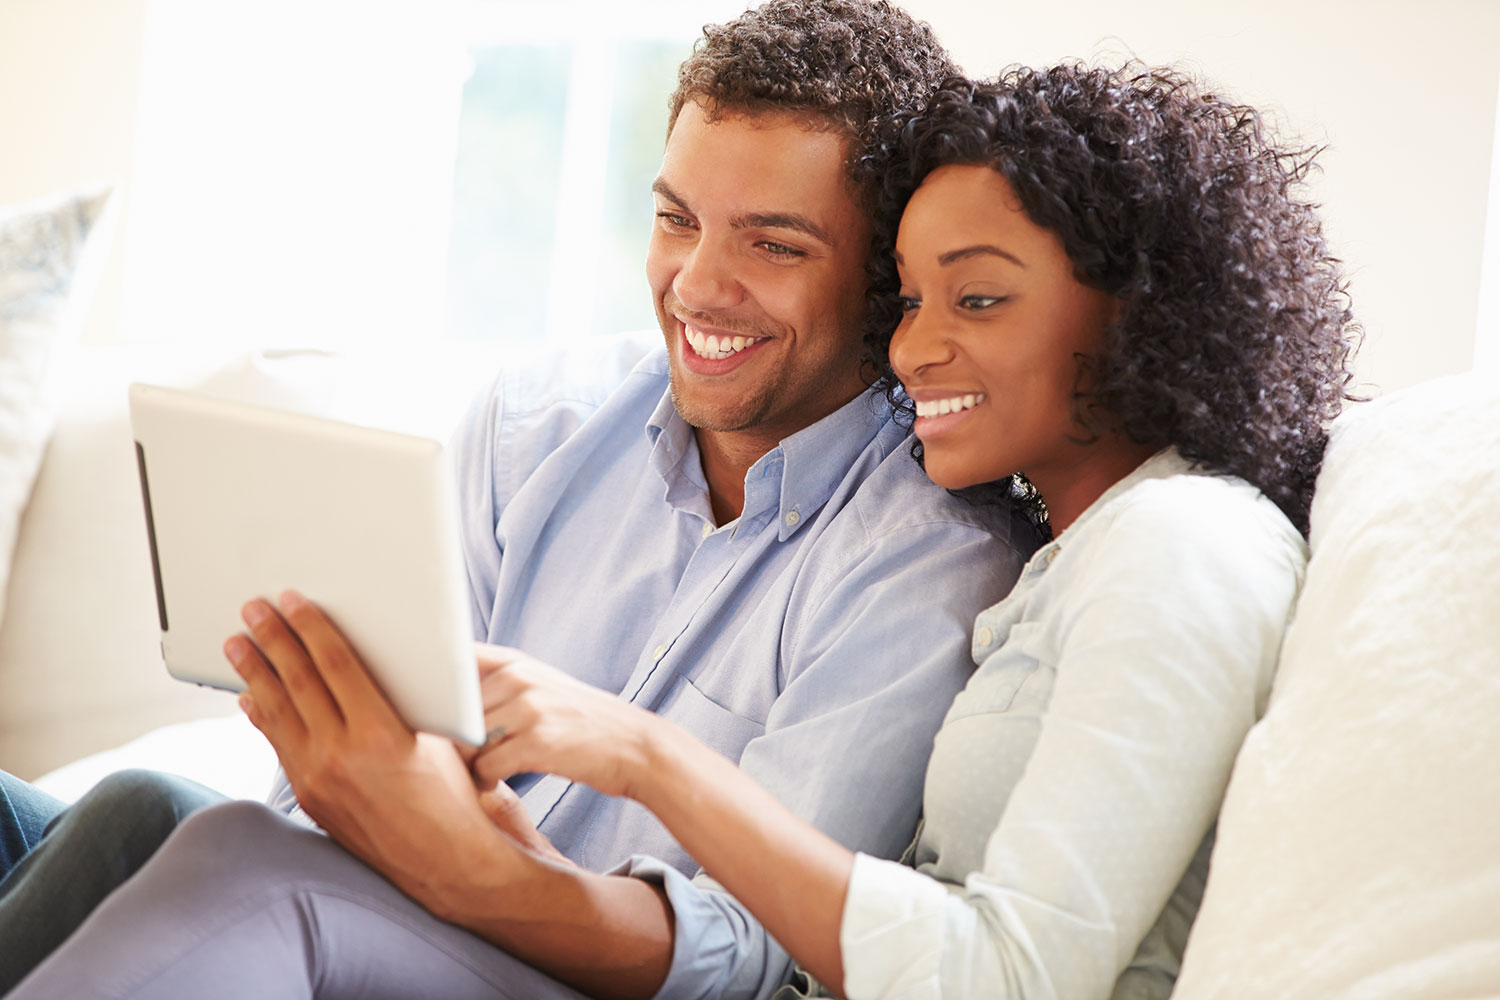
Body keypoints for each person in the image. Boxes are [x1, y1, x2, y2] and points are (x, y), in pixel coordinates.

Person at [0, 2, 1033, 997]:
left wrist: (479, 868)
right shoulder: (539, 421)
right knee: (123, 809)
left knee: (222, 849)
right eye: (677, 220)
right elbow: (358, 795)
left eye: (774, 244)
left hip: (577, 971)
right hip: (377, 904)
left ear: (885, 277)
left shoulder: (931, 557)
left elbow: (750, 953)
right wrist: (339, 758)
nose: (697, 284)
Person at [356, 62, 1361, 998]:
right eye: (910, 300)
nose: (916, 347)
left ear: (1141, 311)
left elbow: (1014, 975)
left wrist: (642, 756)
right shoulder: (1072, 556)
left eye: (978, 298)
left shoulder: (1180, 545)